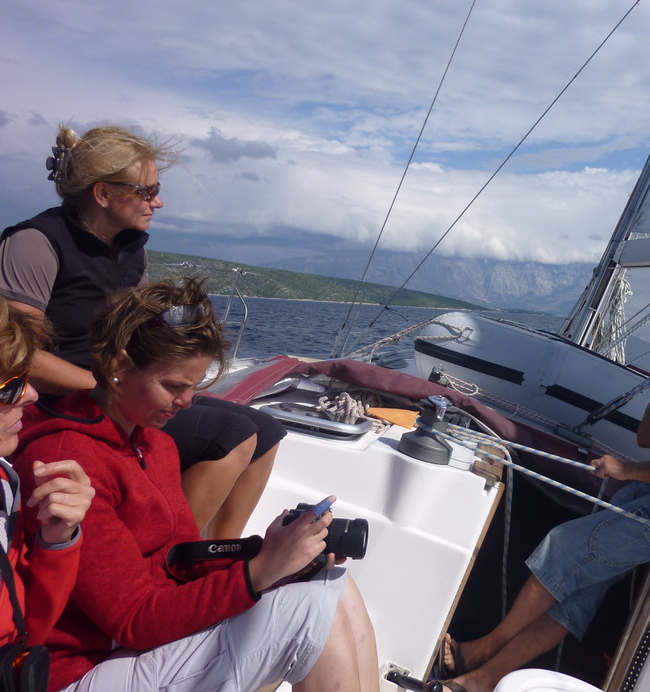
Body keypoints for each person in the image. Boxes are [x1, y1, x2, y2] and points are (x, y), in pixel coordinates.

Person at [13, 279, 379, 692]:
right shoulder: (68, 462)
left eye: (195, 385)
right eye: (173, 386)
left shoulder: (156, 446)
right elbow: (134, 619)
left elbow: (183, 558)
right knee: (308, 613)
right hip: (81, 669)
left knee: (332, 585)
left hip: (136, 646)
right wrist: (261, 571)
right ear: (120, 366)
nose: (187, 401)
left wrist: (272, 552)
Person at [434, 283, 650, 692]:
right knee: (576, 592)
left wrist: (630, 471)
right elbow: (648, 434)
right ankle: (482, 681)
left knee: (564, 546)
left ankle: (483, 650)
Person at [0, 124, 284, 538]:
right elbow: (15, 354)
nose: (158, 202)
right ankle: (172, 555)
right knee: (231, 435)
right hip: (54, 403)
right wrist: (108, 384)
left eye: (157, 190)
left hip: (111, 387)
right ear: (103, 193)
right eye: (147, 192)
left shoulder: (131, 250)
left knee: (268, 430)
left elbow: (140, 332)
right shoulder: (35, 243)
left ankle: (220, 553)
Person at [0, 299, 93, 648]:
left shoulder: (5, 480)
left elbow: (27, 630)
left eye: (25, 378)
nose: (32, 395)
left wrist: (57, 541)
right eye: (9, 386)